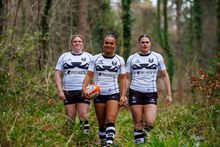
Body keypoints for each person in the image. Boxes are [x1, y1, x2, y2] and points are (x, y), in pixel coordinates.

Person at [82, 32, 127, 146]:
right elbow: (89, 74)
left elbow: (123, 78)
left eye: (111, 43)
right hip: (98, 94)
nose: (108, 45)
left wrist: (122, 95)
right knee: (101, 123)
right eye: (106, 43)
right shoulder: (95, 58)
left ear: (115, 45)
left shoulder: (120, 60)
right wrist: (83, 89)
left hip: (113, 93)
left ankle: (109, 144)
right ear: (103, 44)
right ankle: (103, 144)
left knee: (110, 119)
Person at [126, 34, 172, 144]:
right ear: (139, 44)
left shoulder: (157, 57)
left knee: (150, 121)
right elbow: (127, 77)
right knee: (138, 122)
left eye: (147, 42)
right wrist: (123, 94)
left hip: (150, 92)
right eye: (142, 42)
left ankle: (145, 141)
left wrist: (169, 94)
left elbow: (165, 75)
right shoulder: (132, 58)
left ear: (150, 44)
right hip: (135, 92)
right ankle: (140, 144)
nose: (145, 44)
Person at [54, 34, 93, 135]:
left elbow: (94, 73)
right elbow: (57, 73)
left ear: (83, 44)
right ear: (71, 44)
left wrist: (94, 88)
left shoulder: (89, 57)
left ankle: (84, 139)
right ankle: (69, 139)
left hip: (83, 91)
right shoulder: (64, 56)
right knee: (70, 116)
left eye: (79, 41)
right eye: (75, 41)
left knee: (83, 115)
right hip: (68, 91)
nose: (77, 43)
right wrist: (59, 90)